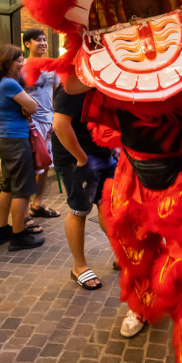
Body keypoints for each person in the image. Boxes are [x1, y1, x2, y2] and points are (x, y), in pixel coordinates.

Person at [52, 85, 117, 291]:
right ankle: (79, 267)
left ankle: (122, 253)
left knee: (108, 204)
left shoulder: (102, 81)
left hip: (102, 153)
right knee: (79, 210)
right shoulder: (71, 86)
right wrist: (81, 159)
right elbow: (60, 125)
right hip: (77, 157)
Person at [0, 44, 44, 251]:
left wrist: (25, 107)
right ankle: (18, 235)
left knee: (9, 186)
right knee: (21, 189)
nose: (22, 63)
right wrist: (26, 107)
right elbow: (33, 107)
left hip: (6, 139)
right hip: (17, 140)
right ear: (7, 62)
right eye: (19, 59)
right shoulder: (11, 84)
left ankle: (2, 230)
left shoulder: (1, 83)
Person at [22, 29, 61, 220]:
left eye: (45, 40)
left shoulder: (52, 67)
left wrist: (55, 119)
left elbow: (57, 94)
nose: (44, 43)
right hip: (29, 122)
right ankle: (22, 208)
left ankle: (37, 203)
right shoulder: (20, 67)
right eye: (38, 40)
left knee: (45, 163)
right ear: (27, 44)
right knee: (29, 164)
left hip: (48, 120)